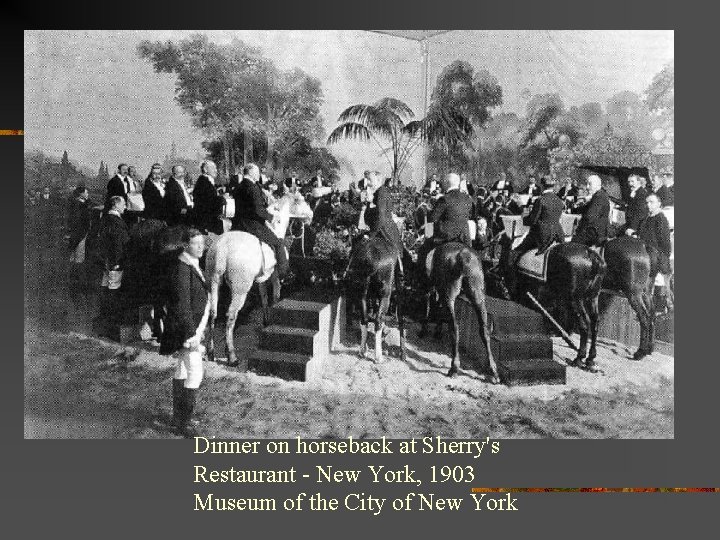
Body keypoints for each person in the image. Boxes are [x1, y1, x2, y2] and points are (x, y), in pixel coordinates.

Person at [160, 228, 210, 437]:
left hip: (191, 326)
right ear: (185, 245)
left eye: (202, 243)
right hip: (186, 329)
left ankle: (178, 418)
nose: (201, 247)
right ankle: (185, 423)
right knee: (195, 372)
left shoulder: (190, 264)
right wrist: (191, 335)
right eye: (196, 244)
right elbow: (182, 305)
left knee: (181, 369)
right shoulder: (182, 268)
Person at [231, 163, 289, 277]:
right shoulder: (252, 188)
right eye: (257, 173)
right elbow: (258, 211)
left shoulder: (240, 185)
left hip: (237, 224)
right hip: (252, 225)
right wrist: (272, 217)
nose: (259, 175)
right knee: (278, 243)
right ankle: (284, 274)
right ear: (251, 173)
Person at [416, 173, 474, 284]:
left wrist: (426, 235)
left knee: (423, 251)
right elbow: (470, 215)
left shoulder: (444, 199)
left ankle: (423, 284)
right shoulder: (467, 199)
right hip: (464, 237)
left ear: (447, 184)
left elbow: (432, 219)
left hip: (445, 236)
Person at [504, 177, 565, 280]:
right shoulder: (559, 201)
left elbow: (532, 221)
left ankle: (512, 281)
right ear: (553, 187)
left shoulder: (540, 200)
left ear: (542, 186)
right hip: (558, 234)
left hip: (542, 235)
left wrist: (523, 214)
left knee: (515, 253)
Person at [97, 196, 130, 340]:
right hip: (115, 263)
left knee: (106, 291)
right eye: (123, 204)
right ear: (116, 206)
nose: (126, 207)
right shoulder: (116, 222)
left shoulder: (105, 219)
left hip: (106, 262)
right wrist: (117, 261)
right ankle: (113, 329)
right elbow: (117, 243)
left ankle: (104, 327)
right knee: (114, 293)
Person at [637, 193, 674, 311]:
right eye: (647, 202)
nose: (648, 205)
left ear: (659, 204)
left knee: (661, 291)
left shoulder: (661, 219)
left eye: (651, 202)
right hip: (646, 256)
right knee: (646, 290)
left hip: (656, 259)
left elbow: (665, 244)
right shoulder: (646, 219)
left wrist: (662, 261)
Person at [366, 171, 404, 265]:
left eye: (370, 180)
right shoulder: (380, 192)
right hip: (384, 227)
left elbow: (381, 217)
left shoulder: (381, 193)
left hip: (384, 230)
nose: (368, 183)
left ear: (378, 180)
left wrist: (371, 235)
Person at [571, 174, 610, 247]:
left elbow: (590, 217)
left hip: (595, 233)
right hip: (594, 231)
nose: (587, 187)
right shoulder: (598, 195)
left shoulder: (599, 197)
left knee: (572, 246)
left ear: (598, 185)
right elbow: (585, 208)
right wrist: (572, 210)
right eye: (587, 184)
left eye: (590, 184)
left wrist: (579, 228)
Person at [192, 160, 225, 235]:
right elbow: (208, 202)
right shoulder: (203, 182)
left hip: (210, 221)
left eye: (216, 168)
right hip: (207, 223)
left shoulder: (207, 181)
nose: (216, 170)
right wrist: (222, 199)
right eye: (213, 168)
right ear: (205, 170)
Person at [66, 185, 91, 266]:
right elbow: (76, 219)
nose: (88, 194)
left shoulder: (81, 203)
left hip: (81, 231)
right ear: (81, 194)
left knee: (75, 253)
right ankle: (75, 273)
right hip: (80, 232)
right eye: (86, 192)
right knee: (78, 254)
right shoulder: (77, 204)